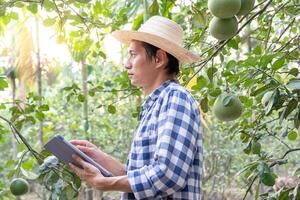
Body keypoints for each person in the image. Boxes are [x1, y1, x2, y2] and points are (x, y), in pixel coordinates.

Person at [69, 16, 203, 199]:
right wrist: (100, 157)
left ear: (158, 59)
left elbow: (168, 175)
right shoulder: (155, 104)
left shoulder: (175, 97)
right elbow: (140, 175)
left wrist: (104, 183)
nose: (126, 64)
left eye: (133, 54)